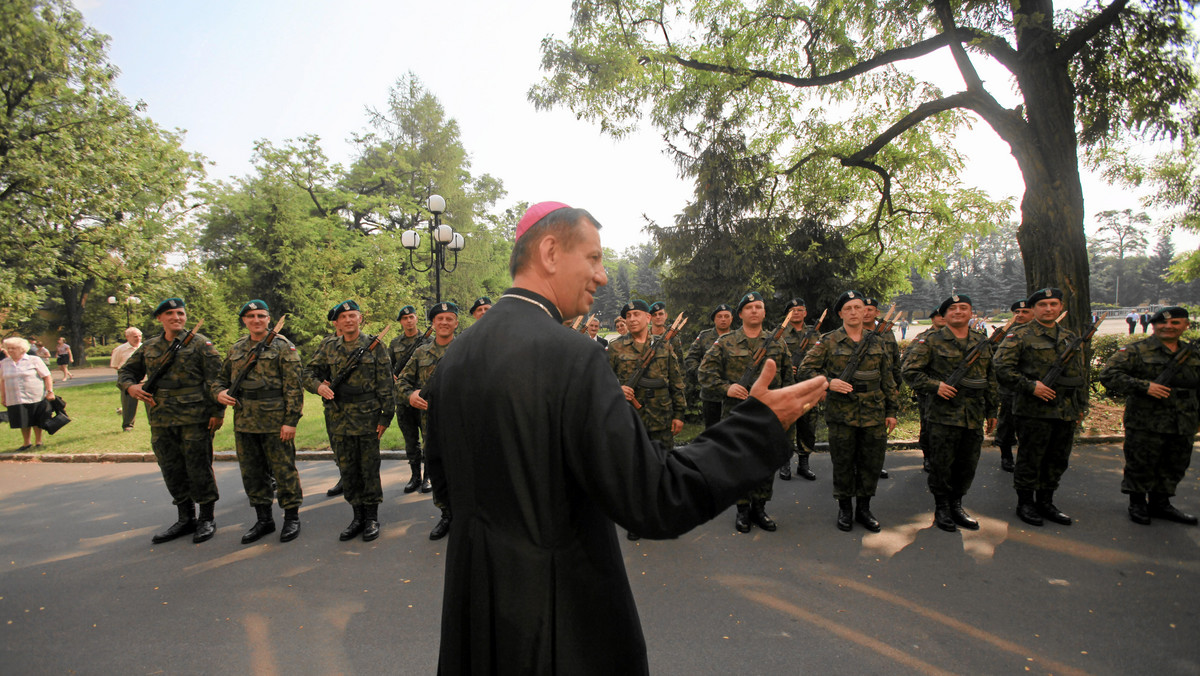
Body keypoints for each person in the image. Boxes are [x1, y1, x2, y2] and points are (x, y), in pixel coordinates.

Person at [422, 201, 827, 674]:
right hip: (558, 623)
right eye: (593, 258)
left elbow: (445, 486)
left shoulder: (457, 356)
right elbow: (655, 496)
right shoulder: (573, 355)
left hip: (479, 612)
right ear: (550, 251)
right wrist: (757, 426)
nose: (603, 276)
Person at [118, 297, 225, 544]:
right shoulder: (150, 347)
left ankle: (207, 518)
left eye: (180, 313)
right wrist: (131, 388)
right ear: (160, 318)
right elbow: (126, 372)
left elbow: (215, 381)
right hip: (161, 418)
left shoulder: (201, 345)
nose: (176, 318)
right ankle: (185, 517)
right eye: (170, 314)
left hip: (195, 417)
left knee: (199, 466)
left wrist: (216, 412)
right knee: (171, 467)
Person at [800, 291, 899, 532]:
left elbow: (888, 377)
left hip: (874, 412)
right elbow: (804, 370)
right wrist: (828, 382)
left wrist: (892, 410)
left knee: (871, 462)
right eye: (849, 308)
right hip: (842, 412)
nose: (855, 312)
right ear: (841, 314)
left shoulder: (878, 341)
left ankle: (864, 509)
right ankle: (845, 508)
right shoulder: (829, 340)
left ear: (866, 311)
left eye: (859, 307)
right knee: (843, 462)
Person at [698, 291, 794, 533]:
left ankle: (759, 508)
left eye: (759, 307)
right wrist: (726, 387)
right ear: (740, 314)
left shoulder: (777, 342)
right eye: (749, 307)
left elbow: (789, 380)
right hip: (737, 413)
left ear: (764, 312)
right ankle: (742, 509)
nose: (754, 311)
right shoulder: (726, 342)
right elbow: (705, 373)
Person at [901, 295, 998, 532]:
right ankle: (942, 507)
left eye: (963, 308)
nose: (958, 312)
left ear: (971, 312)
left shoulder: (981, 341)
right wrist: (936, 386)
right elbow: (910, 371)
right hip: (943, 415)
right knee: (942, 464)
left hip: (973, 415)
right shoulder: (931, 341)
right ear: (943, 315)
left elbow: (990, 377)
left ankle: (957, 504)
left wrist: (992, 409)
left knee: (967, 464)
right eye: (952, 309)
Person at [993, 288, 1088, 527]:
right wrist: (1030, 386)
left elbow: (1079, 376)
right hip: (1033, 410)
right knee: (1030, 458)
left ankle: (1046, 501)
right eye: (1043, 305)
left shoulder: (1068, 336)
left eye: (1053, 304)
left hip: (1065, 410)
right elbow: (1001, 368)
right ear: (1035, 309)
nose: (1048, 309)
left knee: (1057, 459)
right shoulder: (1020, 335)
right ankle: (1025, 502)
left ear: (1060, 307)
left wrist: (1080, 408)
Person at [213, 300, 305, 544]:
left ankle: (291, 517)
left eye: (261, 316)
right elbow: (219, 380)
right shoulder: (236, 349)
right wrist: (219, 394)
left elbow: (294, 388)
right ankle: (264, 519)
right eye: (251, 316)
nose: (256, 320)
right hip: (245, 420)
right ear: (244, 320)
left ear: (268, 319)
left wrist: (291, 421)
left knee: (284, 471)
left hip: (276, 421)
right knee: (252, 473)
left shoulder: (283, 346)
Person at [1099, 306, 1199, 526]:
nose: (1168, 326)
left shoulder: (1193, 353)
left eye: (1175, 323)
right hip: (1146, 421)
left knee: (1175, 463)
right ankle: (1137, 503)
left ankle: (1161, 503)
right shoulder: (1137, 350)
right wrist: (1144, 386)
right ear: (1154, 325)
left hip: (1184, 421)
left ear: (1186, 325)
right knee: (1141, 463)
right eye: (1163, 322)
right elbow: (1108, 374)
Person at [303, 300, 394, 542]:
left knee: (369, 469)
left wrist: (386, 416)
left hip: (368, 417)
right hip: (339, 417)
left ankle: (372, 518)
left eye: (352, 315)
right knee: (348, 469)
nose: (348, 320)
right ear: (337, 322)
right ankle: (357, 517)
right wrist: (319, 387)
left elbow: (386, 383)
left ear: (360, 318)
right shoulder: (328, 346)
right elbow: (307, 373)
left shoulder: (375, 346)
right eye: (343, 317)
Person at [608, 299, 687, 539]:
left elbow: (676, 381)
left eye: (636, 314)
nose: (631, 319)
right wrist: (617, 389)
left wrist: (679, 414)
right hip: (630, 419)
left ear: (648, 318)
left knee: (662, 466)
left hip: (662, 417)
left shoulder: (664, 347)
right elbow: (600, 380)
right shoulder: (616, 348)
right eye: (628, 315)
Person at [399, 301, 460, 540]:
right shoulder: (421, 352)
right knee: (439, 470)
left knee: (465, 470)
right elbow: (401, 382)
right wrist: (410, 395)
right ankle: (446, 515)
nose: (444, 322)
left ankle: (465, 517)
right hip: (432, 426)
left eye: (449, 318)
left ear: (456, 322)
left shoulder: (466, 349)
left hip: (463, 424)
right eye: (439, 319)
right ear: (433, 324)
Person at [389, 305, 428, 494]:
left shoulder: (428, 340)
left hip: (424, 397)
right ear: (401, 322)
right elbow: (389, 368)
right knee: (410, 440)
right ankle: (415, 476)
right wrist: (393, 377)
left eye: (411, 317)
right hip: (404, 399)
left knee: (428, 438)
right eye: (405, 318)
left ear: (416, 318)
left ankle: (428, 476)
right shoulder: (395, 343)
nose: (409, 321)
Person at [779, 297, 819, 481]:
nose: (797, 313)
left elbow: (823, 358)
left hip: (808, 388)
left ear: (805, 313)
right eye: (793, 310)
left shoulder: (815, 334)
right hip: (787, 388)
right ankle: (785, 464)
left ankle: (804, 463)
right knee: (786, 426)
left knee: (807, 426)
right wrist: (786, 367)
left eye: (800, 310)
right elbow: (771, 361)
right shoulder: (779, 334)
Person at [863, 298, 901, 479]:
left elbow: (895, 362)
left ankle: (875, 465)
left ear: (877, 313)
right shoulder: (855, 333)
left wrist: (897, 385)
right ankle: (858, 465)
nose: (866, 313)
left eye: (871, 310)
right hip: (862, 389)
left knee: (878, 432)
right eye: (864, 309)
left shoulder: (887, 333)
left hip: (883, 388)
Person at [904, 308, 946, 472]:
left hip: (951, 392)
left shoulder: (956, 337)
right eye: (938, 316)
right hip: (929, 392)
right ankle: (928, 457)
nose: (941, 318)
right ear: (932, 319)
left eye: (944, 315)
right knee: (927, 425)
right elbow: (907, 364)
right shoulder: (922, 339)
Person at [995, 300, 1034, 471]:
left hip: (1034, 388)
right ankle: (1006, 455)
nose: (1020, 315)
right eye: (1017, 311)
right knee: (1007, 423)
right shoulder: (1004, 334)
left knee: (1031, 426)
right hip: (1010, 387)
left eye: (1025, 311)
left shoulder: (1038, 333)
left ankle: (1028, 457)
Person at [684, 303, 734, 429]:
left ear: (732, 318)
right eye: (720, 316)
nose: (723, 319)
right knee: (712, 432)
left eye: (726, 316)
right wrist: (701, 374)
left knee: (734, 433)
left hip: (733, 394)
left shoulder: (738, 337)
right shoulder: (704, 336)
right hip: (711, 394)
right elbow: (690, 359)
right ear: (714, 319)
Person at [1, 337, 55, 451]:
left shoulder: (33, 360)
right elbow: (2, 380)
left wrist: (50, 391)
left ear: (21, 349)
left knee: (36, 418)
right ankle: (26, 443)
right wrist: (3, 396)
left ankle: (38, 441)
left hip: (34, 395)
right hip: (14, 397)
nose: (10, 350)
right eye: (8, 348)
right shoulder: (4, 363)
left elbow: (47, 376)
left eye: (13, 348)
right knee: (22, 420)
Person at [110, 327, 144, 431]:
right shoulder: (120, 350)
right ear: (127, 337)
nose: (138, 338)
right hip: (128, 380)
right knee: (129, 404)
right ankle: (128, 425)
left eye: (139, 336)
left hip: (144, 380)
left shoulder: (145, 347)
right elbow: (115, 365)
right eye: (135, 336)